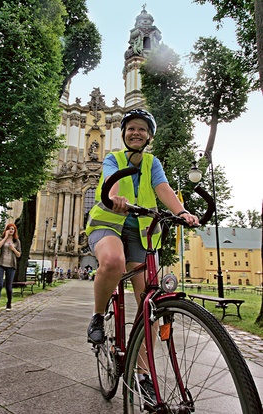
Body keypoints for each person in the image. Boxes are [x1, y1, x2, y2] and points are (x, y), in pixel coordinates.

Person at [85, 108, 198, 401]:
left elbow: (162, 187)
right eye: (131, 128)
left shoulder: (152, 162)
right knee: (113, 261)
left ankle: (144, 373)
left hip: (141, 232)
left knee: (147, 306)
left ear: (149, 136)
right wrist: (115, 198)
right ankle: (98, 317)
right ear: (124, 134)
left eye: (142, 129)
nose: (136, 133)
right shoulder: (114, 158)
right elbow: (114, 178)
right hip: (109, 224)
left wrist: (181, 211)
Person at [0, 223, 21, 316]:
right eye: (9, 228)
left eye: (13, 229)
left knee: (8, 286)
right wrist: (5, 237)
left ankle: (9, 303)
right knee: (0, 285)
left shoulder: (16, 241)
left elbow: (18, 254)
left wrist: (13, 248)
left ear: (15, 231)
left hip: (11, 265)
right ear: (6, 230)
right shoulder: (1, 239)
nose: (11, 230)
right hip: (0, 264)